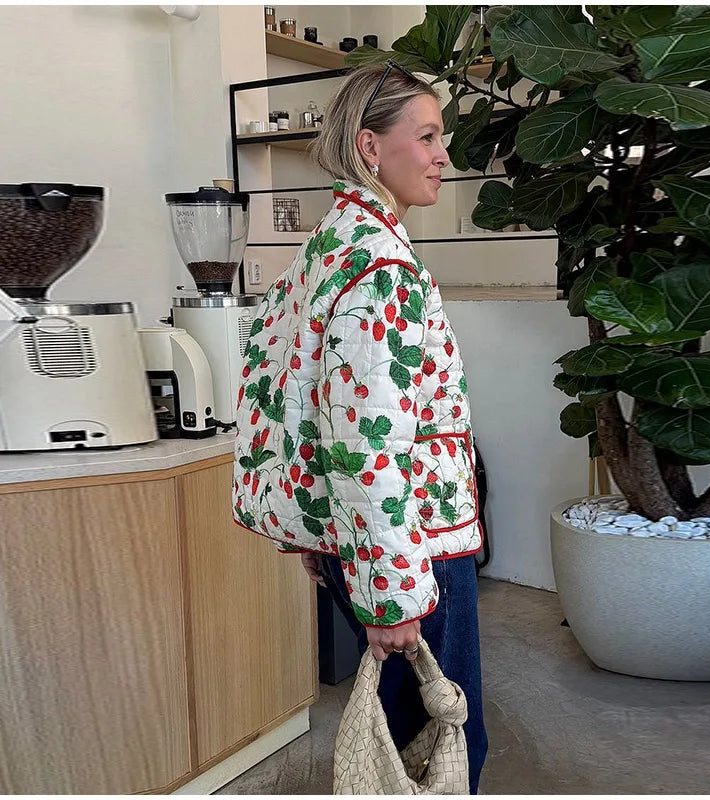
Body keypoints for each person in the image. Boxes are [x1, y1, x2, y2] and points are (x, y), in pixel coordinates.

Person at [232, 61, 488, 794]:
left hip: (371, 541)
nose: (443, 155)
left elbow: (289, 399)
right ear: (370, 147)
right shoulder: (380, 266)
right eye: (427, 137)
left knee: (411, 739)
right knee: (439, 745)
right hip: (413, 546)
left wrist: (318, 534)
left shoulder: (327, 246)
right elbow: (365, 439)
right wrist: (390, 592)